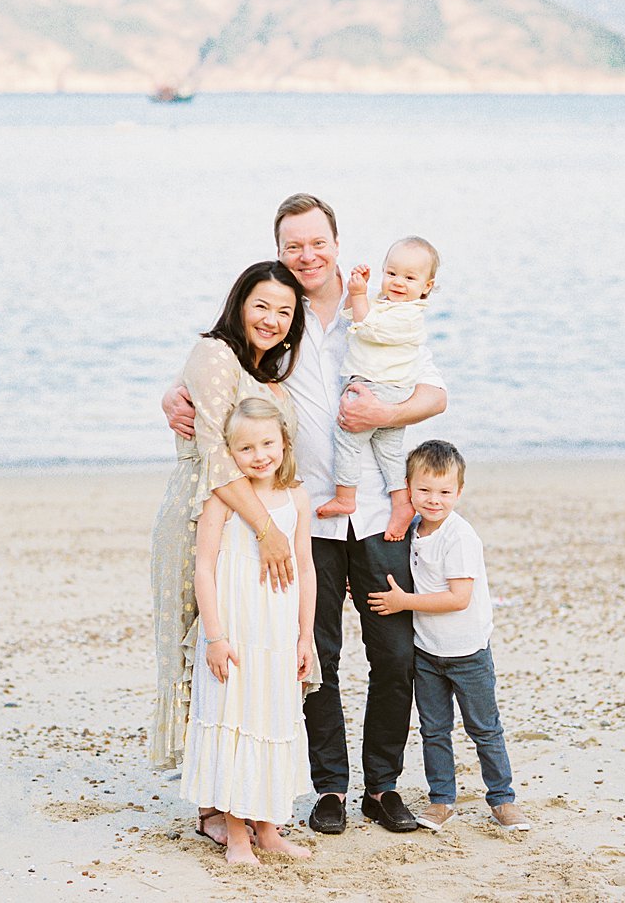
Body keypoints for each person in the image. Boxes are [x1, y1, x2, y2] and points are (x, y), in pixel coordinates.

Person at [164, 195, 447, 834]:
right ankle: (329, 789)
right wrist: (169, 396)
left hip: (375, 512)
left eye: (317, 242)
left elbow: (435, 394)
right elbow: (219, 375)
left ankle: (382, 787)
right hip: (303, 517)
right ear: (280, 251)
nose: (307, 255)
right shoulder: (277, 320)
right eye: (293, 245)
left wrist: (385, 414)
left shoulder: (377, 310)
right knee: (315, 657)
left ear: (337, 243)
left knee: (394, 654)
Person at [150, 261, 305, 787]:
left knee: (243, 656)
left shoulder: (265, 374)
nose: (271, 320)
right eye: (261, 305)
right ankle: (210, 803)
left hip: (249, 525)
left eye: (284, 311)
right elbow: (217, 455)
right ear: (239, 304)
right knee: (202, 649)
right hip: (201, 516)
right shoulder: (214, 353)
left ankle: (237, 788)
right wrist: (268, 529)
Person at [368, 440, 530, 833]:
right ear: (408, 488)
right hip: (427, 652)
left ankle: (502, 799)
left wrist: (403, 602)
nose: (434, 500)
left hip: (468, 652)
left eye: (444, 492)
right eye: (424, 490)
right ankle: (442, 800)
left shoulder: (460, 536)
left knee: (484, 729)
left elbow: (459, 598)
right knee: (434, 730)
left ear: (459, 492)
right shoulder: (412, 530)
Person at [180, 398, 316, 865]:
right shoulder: (221, 498)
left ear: (284, 443)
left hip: (277, 634)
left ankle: (269, 830)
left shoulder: (297, 497)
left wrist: (305, 636)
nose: (259, 455)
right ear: (229, 453)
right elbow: (203, 568)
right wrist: (215, 637)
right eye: (246, 448)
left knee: (271, 718)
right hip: (234, 633)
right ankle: (237, 836)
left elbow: (306, 569)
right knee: (235, 721)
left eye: (267, 444)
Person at [316, 236, 439, 542]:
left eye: (409, 278)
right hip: (393, 390)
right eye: (391, 273)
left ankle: (345, 496)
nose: (398, 282)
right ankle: (401, 500)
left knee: (346, 437)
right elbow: (351, 316)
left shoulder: (408, 315)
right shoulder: (385, 305)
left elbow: (368, 329)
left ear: (426, 286)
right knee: (389, 450)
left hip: (379, 388)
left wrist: (359, 295)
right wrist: (355, 294)